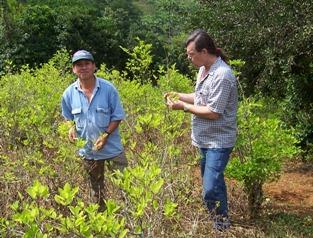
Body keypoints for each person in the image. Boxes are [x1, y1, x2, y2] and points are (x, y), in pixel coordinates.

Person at [165, 29, 238, 230]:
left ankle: (220, 225)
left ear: (204, 51)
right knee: (214, 183)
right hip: (204, 139)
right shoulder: (203, 70)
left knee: (210, 187)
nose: (189, 58)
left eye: (191, 54)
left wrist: (184, 107)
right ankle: (221, 222)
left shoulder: (222, 75)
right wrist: (178, 95)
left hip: (219, 141)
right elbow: (200, 98)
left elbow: (214, 112)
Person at [61, 49, 127, 211]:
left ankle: (129, 222)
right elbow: (67, 115)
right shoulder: (69, 93)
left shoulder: (108, 89)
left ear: (94, 66)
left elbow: (117, 116)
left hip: (112, 150)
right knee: (96, 192)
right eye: (79, 65)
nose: (83, 68)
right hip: (88, 152)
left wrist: (105, 135)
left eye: (87, 64)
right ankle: (102, 223)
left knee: (125, 188)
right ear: (73, 69)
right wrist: (70, 127)